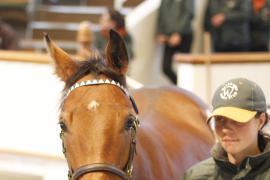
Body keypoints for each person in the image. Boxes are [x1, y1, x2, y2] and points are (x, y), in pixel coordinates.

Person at [183, 77, 270, 179]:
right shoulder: (196, 176)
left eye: (237, 120)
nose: (225, 130)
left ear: (260, 121)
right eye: (219, 119)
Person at [156, 0, 194, 84]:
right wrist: (160, 32)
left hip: (184, 35)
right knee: (166, 67)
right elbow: (161, 14)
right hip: (168, 36)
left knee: (185, 67)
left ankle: (185, 87)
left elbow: (189, 14)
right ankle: (180, 85)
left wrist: (178, 33)